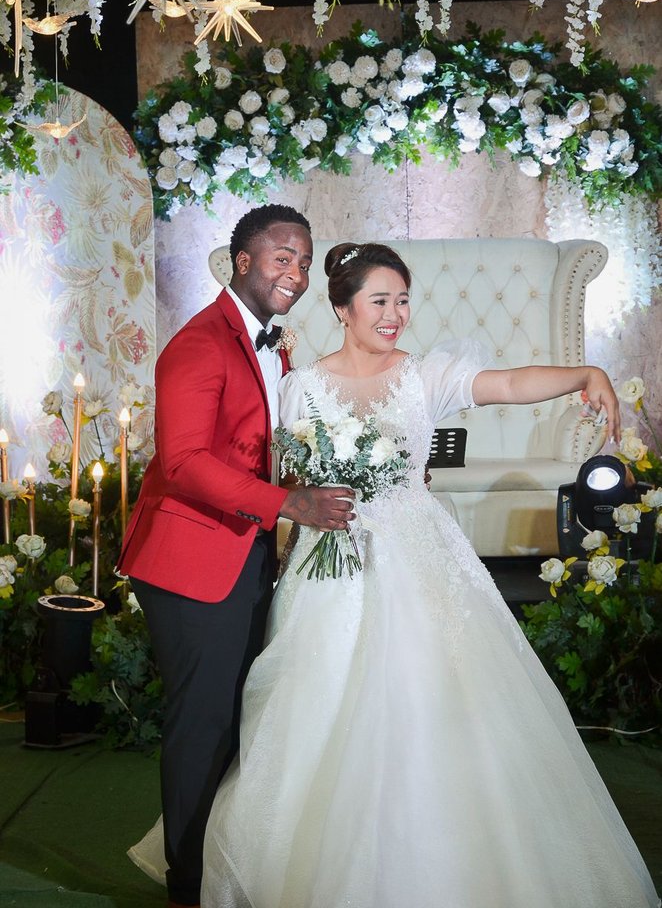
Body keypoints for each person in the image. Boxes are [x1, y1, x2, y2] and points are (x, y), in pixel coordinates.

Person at [194, 242, 660, 908]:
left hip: (420, 557)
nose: (395, 314)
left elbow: (510, 384)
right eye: (380, 301)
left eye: (403, 300)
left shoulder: (426, 375)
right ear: (342, 308)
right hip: (331, 567)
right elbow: (288, 482)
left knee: (434, 696)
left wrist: (585, 372)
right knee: (315, 702)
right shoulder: (300, 387)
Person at [119, 206, 355, 908]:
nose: (297, 273)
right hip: (190, 561)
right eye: (283, 257)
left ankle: (223, 870)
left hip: (245, 552)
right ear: (242, 261)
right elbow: (185, 462)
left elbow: (260, 448)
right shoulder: (199, 343)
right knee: (204, 724)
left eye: (304, 261)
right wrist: (289, 504)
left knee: (239, 718)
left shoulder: (271, 345)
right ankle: (188, 887)